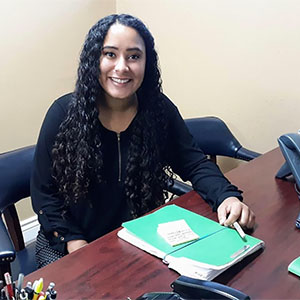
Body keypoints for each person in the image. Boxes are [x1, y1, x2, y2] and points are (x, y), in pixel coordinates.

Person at [31, 14, 255, 268]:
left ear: (147, 62)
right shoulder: (63, 113)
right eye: (110, 54)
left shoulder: (158, 110)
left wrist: (227, 197)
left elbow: (193, 162)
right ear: (94, 59)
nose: (122, 67)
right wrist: (76, 244)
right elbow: (44, 194)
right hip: (69, 241)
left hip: (137, 237)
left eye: (134, 56)